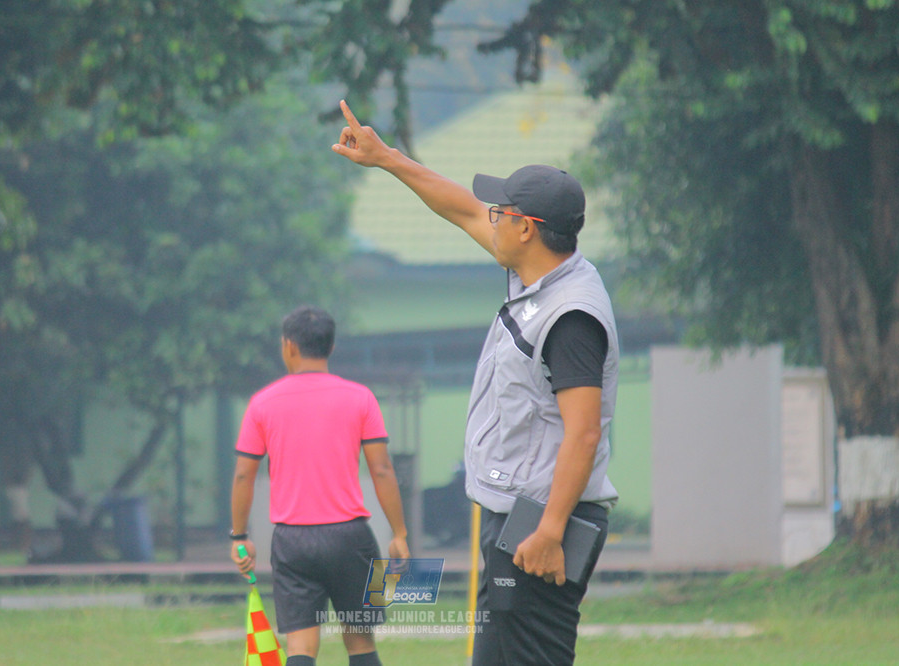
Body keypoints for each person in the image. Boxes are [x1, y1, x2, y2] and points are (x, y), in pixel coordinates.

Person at [332, 100, 619, 665]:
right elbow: (460, 208)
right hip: (518, 518)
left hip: (541, 527)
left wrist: (551, 530)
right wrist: (388, 158)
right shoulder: (535, 271)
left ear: (527, 228)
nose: (489, 215)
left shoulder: (572, 317)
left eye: (501, 209)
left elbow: (583, 434)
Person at [230, 305, 410, 666]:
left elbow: (243, 475)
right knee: (361, 642)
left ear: (289, 346)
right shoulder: (361, 398)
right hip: (351, 539)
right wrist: (399, 533)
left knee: (300, 647)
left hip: (293, 542)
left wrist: (239, 536)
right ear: (330, 346)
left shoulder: (262, 403)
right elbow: (383, 470)